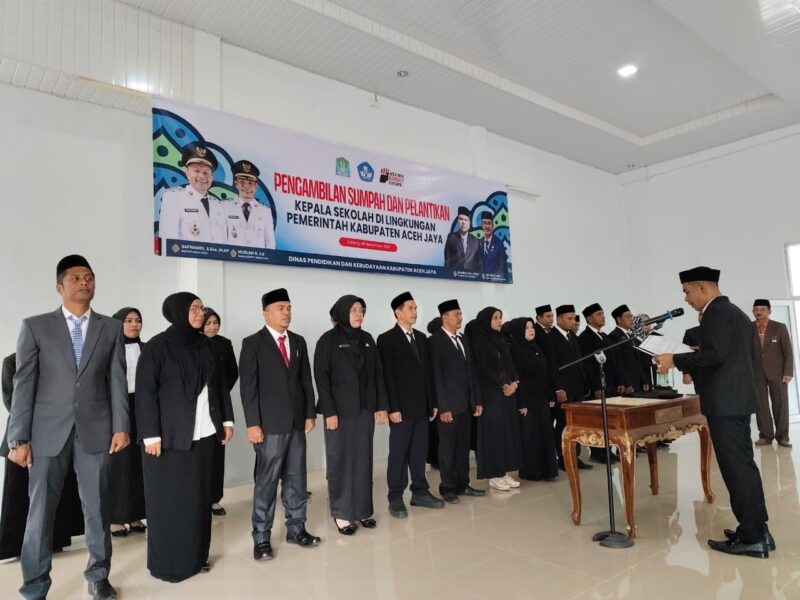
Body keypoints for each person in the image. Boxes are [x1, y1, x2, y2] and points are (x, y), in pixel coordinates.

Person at [8, 254, 129, 600]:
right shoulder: (36, 326)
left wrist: (121, 425)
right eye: (75, 278)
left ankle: (98, 577)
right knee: (40, 512)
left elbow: (117, 380)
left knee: (98, 508)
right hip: (47, 433)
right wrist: (18, 437)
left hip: (97, 430)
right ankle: (35, 584)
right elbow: (23, 383)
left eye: (89, 277)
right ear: (59, 286)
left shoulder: (111, 328)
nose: (84, 282)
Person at [655, 266, 772, 558]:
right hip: (736, 400)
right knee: (744, 466)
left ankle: (752, 536)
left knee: (736, 468)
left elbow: (716, 356)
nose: (686, 299)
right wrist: (694, 354)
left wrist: (675, 359)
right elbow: (727, 355)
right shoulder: (735, 313)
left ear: (703, 288)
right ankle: (757, 529)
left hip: (725, 403)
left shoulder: (716, 313)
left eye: (687, 292)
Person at [136, 292, 235, 582]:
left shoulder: (206, 345)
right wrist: (150, 435)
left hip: (205, 435)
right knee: (170, 503)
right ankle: (168, 563)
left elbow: (219, 386)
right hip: (169, 439)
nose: (200, 313)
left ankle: (197, 557)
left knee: (199, 500)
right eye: (194, 308)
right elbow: (145, 393)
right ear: (178, 312)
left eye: (201, 308)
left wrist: (226, 421)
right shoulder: (157, 347)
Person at [239, 288, 320, 561]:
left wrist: (310, 413)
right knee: (267, 481)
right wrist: (253, 424)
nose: (286, 312)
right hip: (269, 425)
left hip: (296, 423)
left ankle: (296, 528)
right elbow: (248, 388)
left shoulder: (298, 342)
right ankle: (261, 537)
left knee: (296, 478)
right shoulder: (253, 343)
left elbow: (305, 380)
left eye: (289, 307)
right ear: (266, 313)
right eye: (280, 308)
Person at [315, 295, 388, 535]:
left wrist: (381, 406)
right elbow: (322, 379)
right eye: (354, 310)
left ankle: (363, 510)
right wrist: (329, 411)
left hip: (364, 411)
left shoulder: (367, 339)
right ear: (342, 312)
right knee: (340, 461)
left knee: (363, 461)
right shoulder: (327, 341)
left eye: (361, 310)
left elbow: (378, 374)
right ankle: (342, 513)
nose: (359, 314)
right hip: (339, 413)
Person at [1, 353, 85, 560]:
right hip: (22, 436)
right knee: (19, 492)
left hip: (55, 433)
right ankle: (16, 546)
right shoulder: (11, 362)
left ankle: (56, 540)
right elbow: (12, 402)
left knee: (57, 488)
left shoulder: (55, 358)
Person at [377, 292, 444, 518]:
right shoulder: (386, 339)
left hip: (422, 407)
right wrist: (392, 408)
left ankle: (420, 492)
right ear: (397, 312)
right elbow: (387, 376)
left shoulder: (422, 338)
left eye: (415, 308)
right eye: (410, 308)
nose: (414, 312)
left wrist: (433, 403)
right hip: (401, 409)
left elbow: (429, 374)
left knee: (419, 451)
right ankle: (395, 497)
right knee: (399, 453)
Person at [428, 300, 484, 503]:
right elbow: (436, 377)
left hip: (466, 404)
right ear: (445, 318)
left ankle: (463, 484)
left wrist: (476, 400)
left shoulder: (463, 339)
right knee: (448, 449)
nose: (460, 318)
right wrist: (443, 407)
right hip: (449, 407)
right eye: (456, 314)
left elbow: (472, 372)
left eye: (460, 314)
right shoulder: (435, 341)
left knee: (463, 447)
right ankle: (448, 487)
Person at [471, 307, 521, 491]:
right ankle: (494, 474)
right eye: (495, 318)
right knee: (494, 435)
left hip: (506, 394)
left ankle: (503, 471)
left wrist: (515, 382)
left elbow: (511, 365)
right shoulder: (480, 341)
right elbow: (484, 368)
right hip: (491, 395)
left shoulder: (500, 339)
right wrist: (503, 384)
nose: (500, 321)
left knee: (506, 434)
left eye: (500, 317)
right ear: (486, 320)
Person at [108, 308, 147, 537]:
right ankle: (115, 518)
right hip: (116, 410)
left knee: (139, 465)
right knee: (119, 465)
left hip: (141, 408)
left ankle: (135, 515)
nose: (134, 324)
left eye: (138, 320)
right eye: (129, 320)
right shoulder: (109, 349)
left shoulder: (147, 348)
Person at [506, 318, 559, 481]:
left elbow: (545, 374)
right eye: (527, 328)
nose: (531, 330)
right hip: (527, 402)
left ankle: (547, 470)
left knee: (544, 434)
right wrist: (521, 403)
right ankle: (531, 471)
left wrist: (550, 395)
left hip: (541, 399)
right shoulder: (515, 350)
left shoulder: (536, 347)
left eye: (532, 327)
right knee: (530, 436)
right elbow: (518, 379)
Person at [541, 304, 592, 471]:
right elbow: (551, 366)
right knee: (564, 424)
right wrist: (558, 388)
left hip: (577, 388)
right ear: (559, 319)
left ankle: (575, 456)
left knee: (576, 424)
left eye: (574, 318)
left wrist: (585, 384)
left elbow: (580, 363)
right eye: (569, 319)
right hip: (563, 390)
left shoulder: (572, 337)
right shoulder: (551, 338)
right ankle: (564, 459)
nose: (573, 321)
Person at [201, 308, 239, 516]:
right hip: (197, 406)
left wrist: (219, 393)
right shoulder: (195, 343)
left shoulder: (224, 343)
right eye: (208, 323)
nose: (212, 326)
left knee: (217, 453)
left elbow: (233, 372)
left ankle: (215, 499)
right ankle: (199, 498)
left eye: (215, 322)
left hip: (219, 404)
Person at [158, 142, 227, 244]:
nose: (202, 176)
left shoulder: (218, 205)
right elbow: (167, 242)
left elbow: (225, 244)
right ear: (186, 172)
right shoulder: (174, 198)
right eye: (196, 171)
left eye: (206, 172)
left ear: (212, 177)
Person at [579, 303, 622, 464]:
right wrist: (596, 385)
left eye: (603, 314)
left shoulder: (604, 336)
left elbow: (613, 361)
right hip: (597, 386)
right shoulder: (585, 338)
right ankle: (597, 451)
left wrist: (618, 381)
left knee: (608, 419)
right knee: (598, 420)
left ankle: (608, 449)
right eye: (599, 314)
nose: (603, 317)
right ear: (589, 318)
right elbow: (588, 365)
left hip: (609, 384)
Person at [751, 299, 794, 448]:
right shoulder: (748, 328)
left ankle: (783, 437)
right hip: (756, 372)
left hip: (778, 372)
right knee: (760, 405)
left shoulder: (779, 327)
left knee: (780, 404)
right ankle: (765, 436)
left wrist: (788, 371)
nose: (759, 311)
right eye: (756, 309)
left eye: (762, 309)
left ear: (769, 311)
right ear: (753, 311)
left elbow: (788, 351)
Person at [225, 160, 276, 249]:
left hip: (257, 258)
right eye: (242, 182)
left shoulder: (265, 211)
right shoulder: (225, 207)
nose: (246, 187)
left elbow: (270, 243)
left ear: (256, 186)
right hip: (233, 257)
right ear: (236, 184)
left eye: (250, 183)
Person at [607, 304, 643, 394]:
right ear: (619, 319)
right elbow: (618, 363)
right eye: (628, 317)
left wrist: (643, 380)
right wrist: (626, 383)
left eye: (631, 316)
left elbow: (638, 360)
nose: (631, 319)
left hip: (637, 382)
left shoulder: (631, 336)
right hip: (627, 385)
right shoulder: (613, 336)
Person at [425, 316, 443, 469]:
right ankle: (437, 458)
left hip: (434, 392)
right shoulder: (434, 343)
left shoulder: (429, 342)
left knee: (435, 429)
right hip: (438, 392)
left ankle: (434, 458)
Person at [443, 206, 481, 272]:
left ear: (469, 223)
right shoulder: (451, 237)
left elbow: (479, 264)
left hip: (471, 276)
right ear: (458, 221)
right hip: (455, 275)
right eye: (461, 219)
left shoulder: (476, 241)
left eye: (466, 220)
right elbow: (447, 261)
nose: (463, 222)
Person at [479, 211, 508, 277]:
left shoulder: (499, 244)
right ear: (481, 225)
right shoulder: (478, 242)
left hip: (493, 280)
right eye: (484, 223)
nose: (487, 226)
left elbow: (503, 269)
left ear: (493, 226)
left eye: (489, 223)